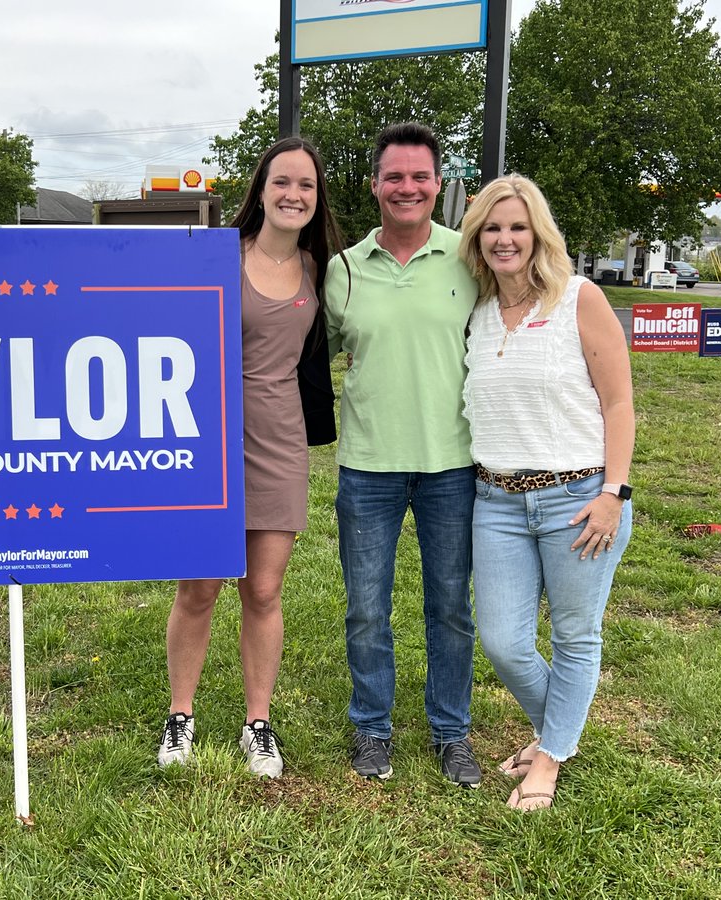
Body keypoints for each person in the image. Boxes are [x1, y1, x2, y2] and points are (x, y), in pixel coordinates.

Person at [158, 137, 346, 778]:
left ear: (316, 200)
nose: (294, 194)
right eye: (283, 182)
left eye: (307, 186)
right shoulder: (217, 258)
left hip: (281, 444)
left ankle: (256, 723)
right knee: (199, 586)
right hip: (208, 444)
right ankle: (180, 717)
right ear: (261, 189)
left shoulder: (325, 272)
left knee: (263, 590)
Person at [458, 174, 635, 810]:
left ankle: (551, 755)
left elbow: (619, 401)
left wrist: (614, 491)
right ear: (478, 238)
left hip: (578, 498)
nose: (505, 239)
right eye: (493, 228)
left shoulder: (578, 298)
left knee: (574, 636)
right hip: (496, 501)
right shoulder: (475, 311)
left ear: (539, 234)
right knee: (503, 642)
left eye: (518, 227)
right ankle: (560, 730)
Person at [323, 122, 481, 787]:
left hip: (453, 464)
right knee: (366, 608)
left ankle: (451, 732)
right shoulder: (344, 269)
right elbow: (302, 357)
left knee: (449, 606)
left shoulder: (471, 259)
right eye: (395, 176)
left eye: (420, 176)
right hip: (367, 465)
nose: (407, 187)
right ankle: (372, 729)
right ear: (375, 186)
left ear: (438, 185)